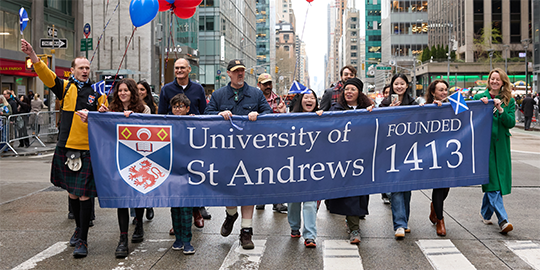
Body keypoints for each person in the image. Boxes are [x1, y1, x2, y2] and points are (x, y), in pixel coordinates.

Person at [21, 38, 108, 258]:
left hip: (88, 148)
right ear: (72, 70)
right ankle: (79, 229)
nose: (85, 71)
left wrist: (103, 112)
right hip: (66, 146)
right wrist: (32, 54)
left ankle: (83, 241)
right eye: (81, 68)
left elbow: (105, 118)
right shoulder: (65, 87)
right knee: (72, 192)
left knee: (84, 196)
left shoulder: (98, 93)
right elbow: (44, 72)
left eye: (88, 68)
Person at [205, 59, 272, 249]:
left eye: (242, 70)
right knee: (229, 188)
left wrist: (258, 116)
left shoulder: (256, 94)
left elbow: (269, 114)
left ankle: (246, 232)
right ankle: (231, 214)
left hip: (251, 151)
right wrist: (218, 114)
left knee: (248, 190)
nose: (240, 74)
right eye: (236, 71)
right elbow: (206, 114)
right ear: (229, 74)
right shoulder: (218, 95)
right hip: (226, 151)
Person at [158, 58, 210, 226]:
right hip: (173, 140)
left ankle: (196, 210)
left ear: (189, 70)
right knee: (175, 179)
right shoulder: (166, 89)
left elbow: (205, 113)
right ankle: (177, 222)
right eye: (176, 68)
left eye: (182, 68)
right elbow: (160, 117)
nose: (179, 70)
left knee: (194, 176)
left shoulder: (198, 89)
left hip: (194, 141)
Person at [326, 78, 374, 244]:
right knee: (351, 193)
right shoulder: (336, 109)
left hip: (363, 157)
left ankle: (353, 220)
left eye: (353, 89)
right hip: (344, 158)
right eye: (347, 89)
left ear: (359, 92)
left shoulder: (368, 109)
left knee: (361, 193)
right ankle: (355, 229)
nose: (349, 92)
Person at [474, 68, 515, 234]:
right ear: (488, 81)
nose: (495, 82)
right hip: (485, 145)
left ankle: (485, 212)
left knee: (496, 180)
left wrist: (500, 109)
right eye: (492, 79)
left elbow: (510, 122)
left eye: (498, 79)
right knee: (492, 181)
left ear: (503, 82)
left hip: (501, 146)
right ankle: (503, 220)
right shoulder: (479, 97)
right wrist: (480, 106)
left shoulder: (508, 100)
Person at [380, 74, 418, 239]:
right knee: (395, 188)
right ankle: (400, 224)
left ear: (407, 86)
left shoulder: (413, 103)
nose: (399, 87)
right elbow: (378, 123)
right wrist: (389, 111)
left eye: (402, 84)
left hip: (409, 150)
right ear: (392, 86)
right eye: (396, 84)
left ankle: (404, 221)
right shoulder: (385, 104)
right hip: (390, 151)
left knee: (406, 189)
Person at [287, 90, 323, 248]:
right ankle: (295, 227)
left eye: (312, 98)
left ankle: (310, 235)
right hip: (293, 166)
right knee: (294, 201)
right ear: (301, 100)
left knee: (310, 202)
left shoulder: (322, 118)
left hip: (314, 167)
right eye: (306, 97)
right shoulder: (290, 118)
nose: (309, 100)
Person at [254, 73, 288, 213]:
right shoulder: (254, 99)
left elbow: (285, 121)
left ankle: (278, 201)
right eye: (265, 84)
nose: (268, 86)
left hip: (276, 140)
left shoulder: (279, 99)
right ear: (259, 85)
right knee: (259, 171)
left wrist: (283, 113)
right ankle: (260, 199)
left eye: (270, 83)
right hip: (258, 141)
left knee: (277, 171)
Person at [168, 93, 196, 255]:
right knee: (175, 207)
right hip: (172, 170)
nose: (178, 109)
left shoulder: (193, 122)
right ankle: (178, 238)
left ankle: (187, 240)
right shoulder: (166, 122)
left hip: (188, 171)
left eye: (181, 106)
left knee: (186, 207)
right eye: (175, 106)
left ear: (187, 109)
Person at [425, 79, 450, 236]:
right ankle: (440, 221)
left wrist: (483, 103)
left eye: (446, 89)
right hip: (433, 152)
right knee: (439, 185)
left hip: (450, 152)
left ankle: (435, 207)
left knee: (446, 186)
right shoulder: (427, 107)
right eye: (440, 90)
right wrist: (434, 110)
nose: (444, 92)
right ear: (433, 92)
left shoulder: (454, 105)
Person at [133, 80, 156, 223]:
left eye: (143, 89)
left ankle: (149, 205)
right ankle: (136, 214)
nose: (140, 91)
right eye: (137, 89)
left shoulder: (151, 107)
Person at [380, 84, 391, 204]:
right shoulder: (381, 106)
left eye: (390, 92)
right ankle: (386, 193)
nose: (388, 95)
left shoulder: (408, 104)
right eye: (386, 92)